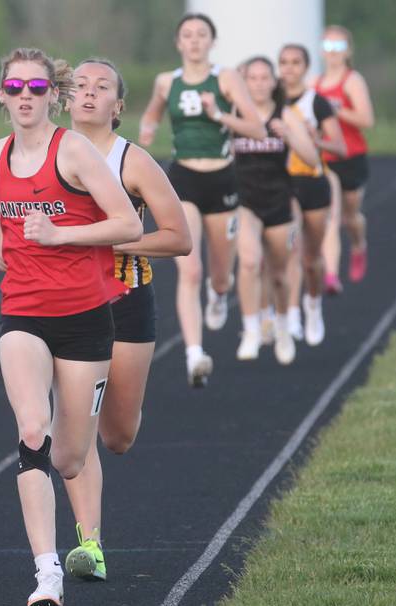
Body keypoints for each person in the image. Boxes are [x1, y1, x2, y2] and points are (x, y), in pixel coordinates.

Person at [0, 47, 143, 606]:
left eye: (37, 88)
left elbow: (126, 221)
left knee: (70, 456)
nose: (26, 96)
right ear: (2, 93)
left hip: (85, 319)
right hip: (22, 313)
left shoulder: (72, 150)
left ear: (54, 94)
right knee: (30, 429)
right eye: (16, 87)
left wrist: (62, 237)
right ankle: (48, 572)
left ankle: (80, 534)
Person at [54, 58, 190, 582]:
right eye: (80, 86)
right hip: (63, 306)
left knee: (118, 435)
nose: (89, 94)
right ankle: (90, 543)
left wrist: (112, 240)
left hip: (126, 301)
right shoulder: (45, 154)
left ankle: (117, 407)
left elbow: (179, 237)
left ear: (119, 106)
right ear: (66, 99)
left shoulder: (132, 161)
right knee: (75, 430)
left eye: (102, 87)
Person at [139, 12, 264, 387]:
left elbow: (256, 128)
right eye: (188, 35)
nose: (194, 41)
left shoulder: (226, 78)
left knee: (221, 273)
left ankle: (219, 293)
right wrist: (147, 129)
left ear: (212, 41)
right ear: (178, 43)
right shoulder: (166, 81)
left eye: (201, 35)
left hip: (222, 178)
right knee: (189, 268)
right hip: (184, 178)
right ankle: (195, 354)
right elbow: (152, 114)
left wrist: (219, 114)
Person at [233, 56, 318, 363]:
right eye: (252, 78)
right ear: (244, 83)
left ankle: (282, 327)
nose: (258, 83)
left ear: (273, 82)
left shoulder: (286, 114)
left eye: (263, 77)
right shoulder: (235, 114)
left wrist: (291, 135)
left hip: (279, 200)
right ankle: (251, 330)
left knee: (280, 276)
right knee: (250, 262)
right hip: (245, 202)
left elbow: (312, 160)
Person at [277, 43, 346, 344]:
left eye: (295, 62)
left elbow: (340, 147)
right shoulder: (271, 102)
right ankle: (292, 313)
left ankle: (312, 304)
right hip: (283, 183)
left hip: (314, 182)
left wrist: (315, 140)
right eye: (284, 62)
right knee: (290, 250)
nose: (289, 68)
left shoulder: (316, 102)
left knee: (311, 258)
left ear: (306, 67)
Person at [315, 25, 375, 284]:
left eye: (338, 47)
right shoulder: (313, 83)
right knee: (330, 217)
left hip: (351, 157)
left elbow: (366, 119)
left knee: (350, 217)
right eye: (328, 46)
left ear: (348, 50)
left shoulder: (352, 80)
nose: (333, 53)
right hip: (324, 158)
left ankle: (359, 245)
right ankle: (330, 273)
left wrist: (334, 110)